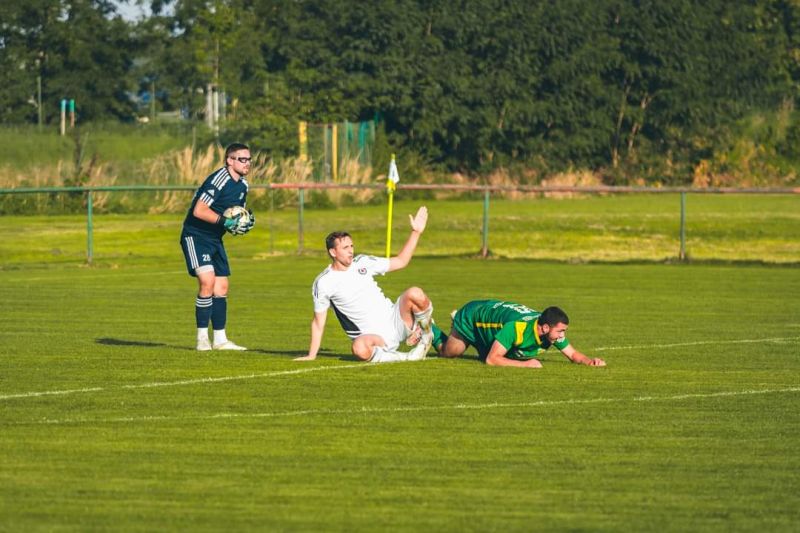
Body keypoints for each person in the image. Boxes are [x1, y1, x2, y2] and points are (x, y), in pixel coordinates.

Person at [295, 206, 444, 363]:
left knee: (415, 293)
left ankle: (426, 336)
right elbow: (318, 322)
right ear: (333, 252)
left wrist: (416, 232)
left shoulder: (362, 262)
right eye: (345, 247)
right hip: (374, 338)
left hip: (396, 320)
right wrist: (312, 355)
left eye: (352, 246)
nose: (351, 251)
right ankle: (407, 357)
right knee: (358, 349)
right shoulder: (324, 282)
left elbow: (401, 261)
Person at [179, 142, 255, 351]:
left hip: (215, 239)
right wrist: (225, 222)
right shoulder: (218, 179)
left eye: (249, 159)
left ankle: (220, 340)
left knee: (221, 288)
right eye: (242, 159)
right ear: (230, 160)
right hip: (195, 236)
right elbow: (199, 210)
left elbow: (235, 211)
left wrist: (242, 222)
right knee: (208, 282)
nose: (247, 163)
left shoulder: (243, 185)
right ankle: (202, 338)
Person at [436, 299, 605, 367]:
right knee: (449, 353)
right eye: (560, 331)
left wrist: (590, 361)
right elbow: (491, 360)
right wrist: (525, 365)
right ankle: (427, 326)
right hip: (474, 317)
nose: (562, 336)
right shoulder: (518, 328)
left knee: (493, 351)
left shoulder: (550, 332)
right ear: (545, 328)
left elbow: (574, 355)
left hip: (493, 324)